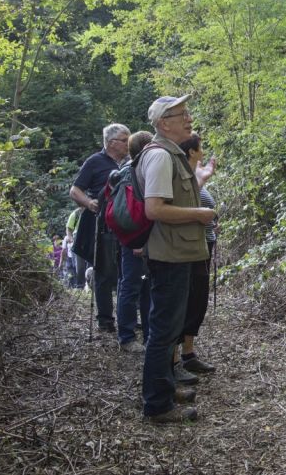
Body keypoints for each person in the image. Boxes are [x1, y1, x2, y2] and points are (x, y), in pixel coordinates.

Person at [135, 95, 215, 424]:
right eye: (182, 114)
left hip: (175, 253)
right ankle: (157, 405)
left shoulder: (171, 154)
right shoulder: (161, 157)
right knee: (164, 331)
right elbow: (154, 209)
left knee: (168, 330)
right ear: (164, 124)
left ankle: (164, 389)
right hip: (168, 256)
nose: (189, 119)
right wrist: (200, 214)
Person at [70, 124, 130, 333]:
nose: (128, 143)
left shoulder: (131, 162)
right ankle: (105, 319)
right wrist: (89, 203)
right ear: (111, 142)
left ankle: (127, 317)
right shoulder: (94, 162)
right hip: (102, 225)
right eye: (124, 139)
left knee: (128, 272)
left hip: (128, 224)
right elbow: (75, 190)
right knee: (103, 272)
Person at [175, 132, 218, 376]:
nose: (202, 151)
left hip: (201, 247)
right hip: (187, 249)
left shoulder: (193, 177)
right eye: (200, 147)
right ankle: (175, 359)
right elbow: (183, 209)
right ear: (191, 151)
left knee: (197, 301)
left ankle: (188, 353)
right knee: (185, 301)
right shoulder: (184, 177)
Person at [116, 130, 156, 353]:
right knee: (132, 286)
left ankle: (147, 335)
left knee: (143, 286)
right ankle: (128, 337)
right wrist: (137, 241)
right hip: (136, 239)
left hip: (134, 238)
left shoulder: (128, 170)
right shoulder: (133, 172)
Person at [65, 207, 87, 289]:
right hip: (78, 237)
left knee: (90, 263)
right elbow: (69, 228)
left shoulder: (93, 211)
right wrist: (70, 238)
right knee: (79, 264)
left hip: (89, 237)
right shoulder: (76, 213)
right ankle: (80, 285)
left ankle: (90, 284)